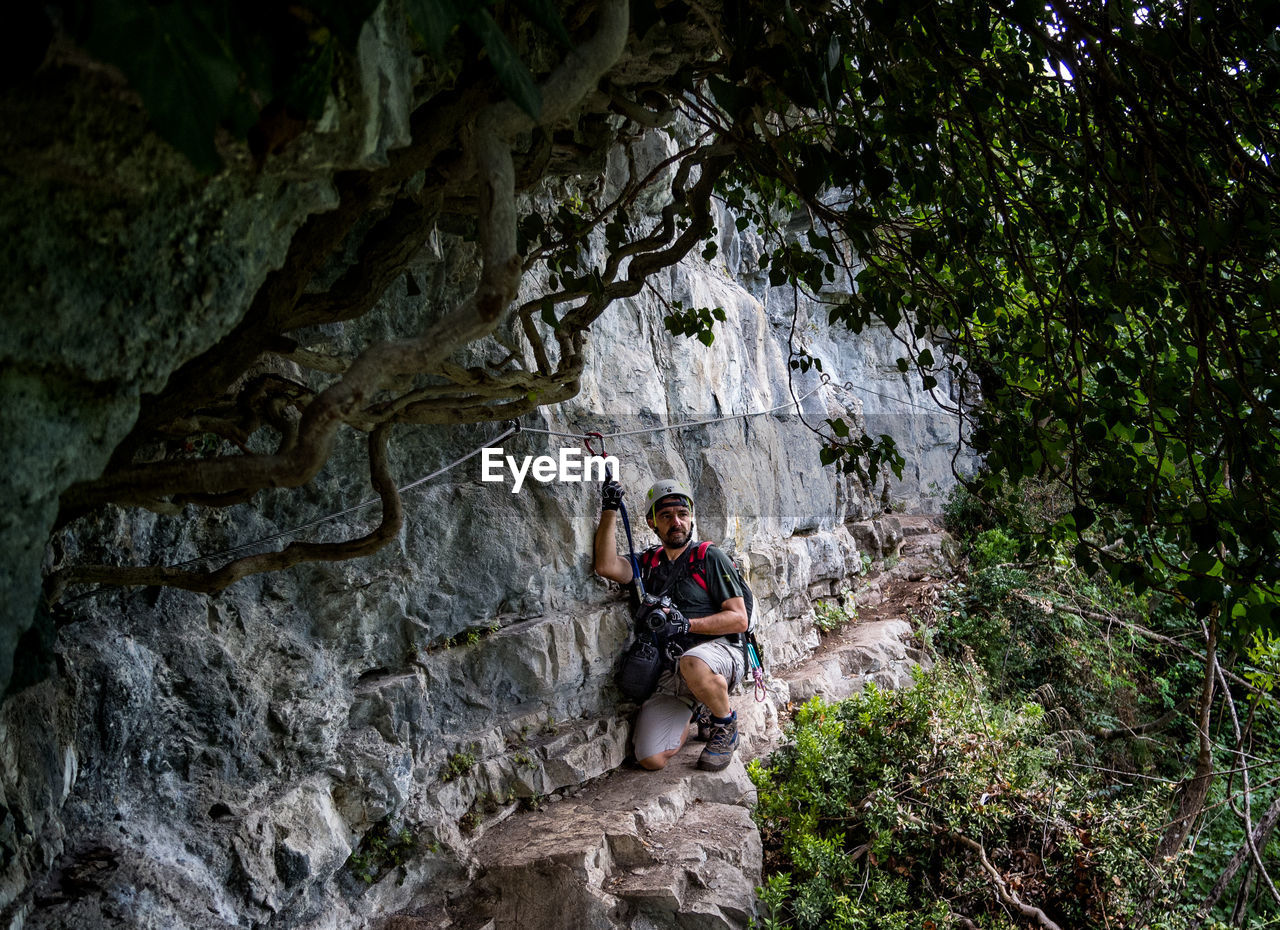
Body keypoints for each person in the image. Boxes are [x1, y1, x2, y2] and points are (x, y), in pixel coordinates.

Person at [593, 477, 749, 772]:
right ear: (652, 523)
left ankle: (725, 725)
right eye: (666, 516)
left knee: (693, 663)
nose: (676, 522)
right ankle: (699, 707)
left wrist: (686, 625)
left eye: (682, 514)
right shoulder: (648, 563)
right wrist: (610, 509)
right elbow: (606, 566)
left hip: (720, 654)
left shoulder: (709, 557)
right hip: (672, 671)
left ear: (691, 517)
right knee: (650, 757)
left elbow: (739, 619)